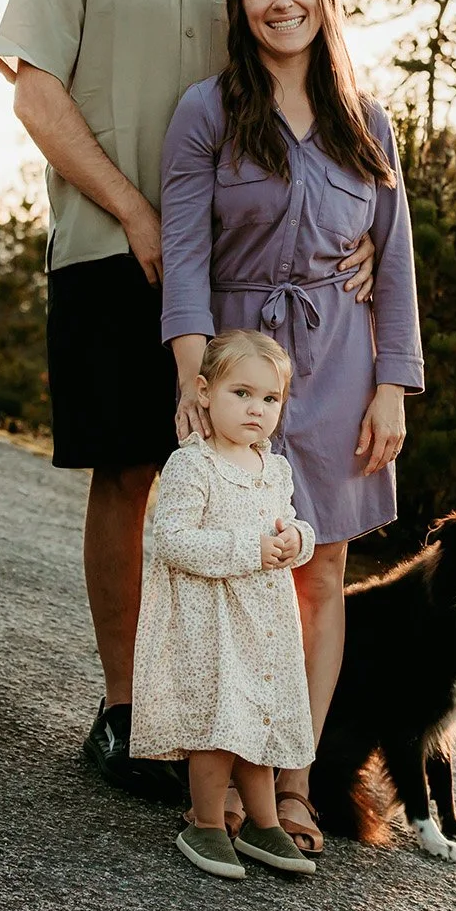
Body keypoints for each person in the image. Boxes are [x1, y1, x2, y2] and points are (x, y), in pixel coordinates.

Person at [0, 0, 375, 795]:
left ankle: (236, 731)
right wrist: (132, 208)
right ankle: (125, 711)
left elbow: (310, 94)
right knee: (130, 473)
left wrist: (359, 221)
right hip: (109, 253)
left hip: (242, 277)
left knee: (247, 497)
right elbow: (34, 94)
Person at [159, 0, 424, 856]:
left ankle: (299, 780)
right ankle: (224, 777)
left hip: (344, 365)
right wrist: (194, 376)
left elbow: (393, 264)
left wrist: (393, 385)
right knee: (234, 572)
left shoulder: (367, 120)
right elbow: (185, 257)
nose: (281, 2)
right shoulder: (207, 112)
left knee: (319, 577)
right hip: (240, 371)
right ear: (241, 7)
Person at [131, 329, 318, 880]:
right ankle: (208, 822)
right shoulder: (195, 465)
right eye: (242, 394)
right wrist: (249, 550)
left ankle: (264, 823)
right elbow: (173, 538)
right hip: (210, 620)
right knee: (219, 724)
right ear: (206, 392)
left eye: (270, 399)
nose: (257, 410)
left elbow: (290, 523)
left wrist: (295, 542)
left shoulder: (273, 467)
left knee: (259, 723)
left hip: (263, 622)